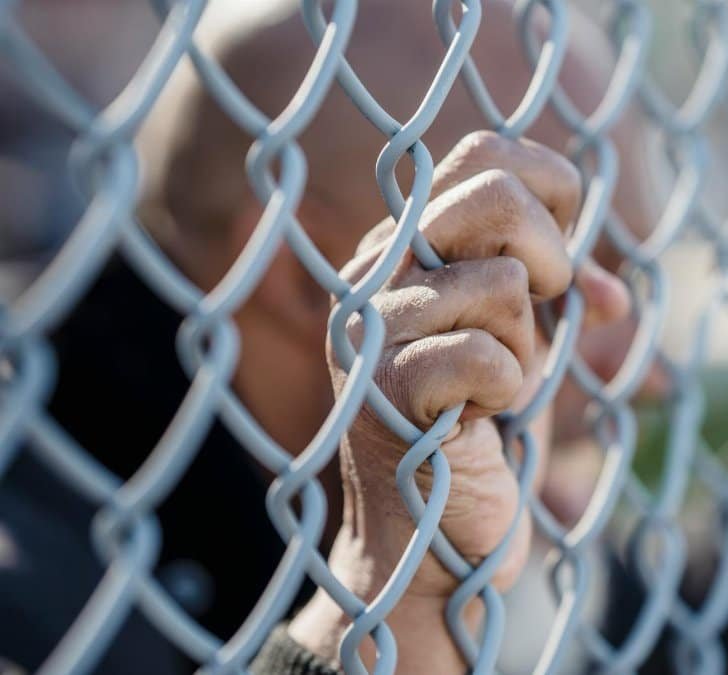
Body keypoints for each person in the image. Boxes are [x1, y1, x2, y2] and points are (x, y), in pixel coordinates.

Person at [0, 1, 657, 672]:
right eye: (548, 286)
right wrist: (392, 602)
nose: (647, 371)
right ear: (307, 274)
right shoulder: (34, 588)